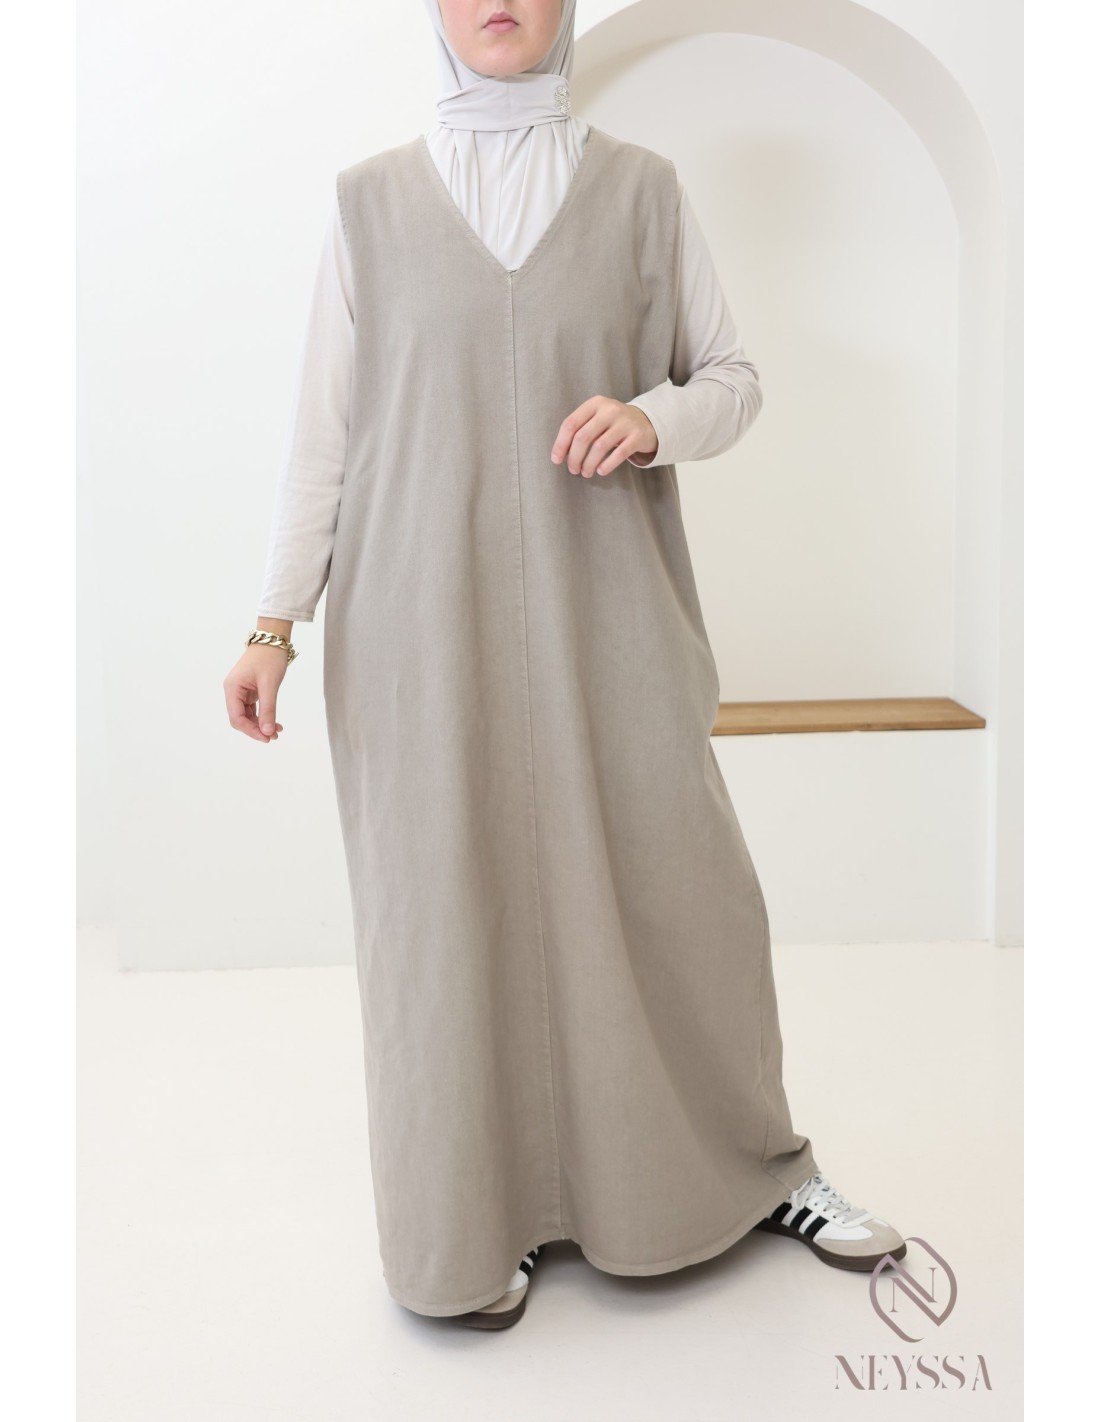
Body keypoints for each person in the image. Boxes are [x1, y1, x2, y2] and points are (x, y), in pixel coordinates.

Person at [223, 0, 905, 1332]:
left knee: (681, 887)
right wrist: (272, 623)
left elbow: (734, 379)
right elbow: (324, 440)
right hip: (418, 628)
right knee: (447, 918)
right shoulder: (368, 205)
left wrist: (651, 418)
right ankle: (491, 1217)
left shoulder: (643, 192)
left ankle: (758, 1170)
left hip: (614, 610)